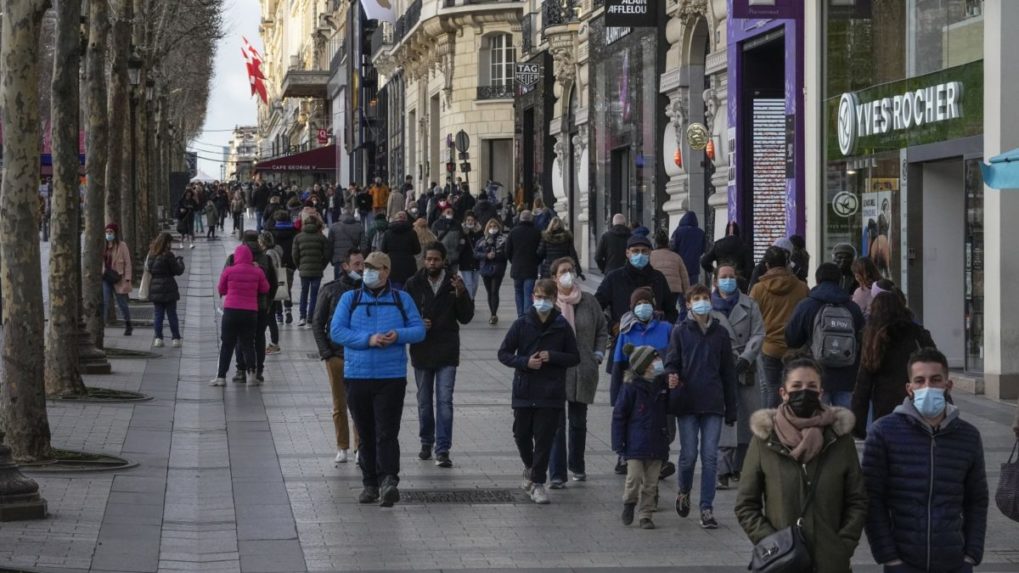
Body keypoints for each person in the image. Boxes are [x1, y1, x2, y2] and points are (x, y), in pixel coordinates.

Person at [734, 353, 868, 573]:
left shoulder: (839, 439)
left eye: (811, 386)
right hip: (783, 563)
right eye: (796, 386)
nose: (804, 392)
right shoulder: (765, 441)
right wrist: (773, 544)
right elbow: (745, 505)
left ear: (821, 392)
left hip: (831, 562)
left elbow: (857, 499)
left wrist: (842, 545)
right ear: (783, 393)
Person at [862, 347, 988, 573]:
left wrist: (971, 555)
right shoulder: (883, 432)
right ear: (909, 388)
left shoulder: (968, 436)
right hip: (902, 561)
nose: (927, 387)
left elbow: (977, 500)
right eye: (919, 381)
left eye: (935, 379)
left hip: (953, 561)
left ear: (948, 385)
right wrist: (889, 557)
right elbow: (872, 499)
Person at [329, 252, 426, 507]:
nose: (368, 272)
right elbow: (337, 331)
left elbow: (419, 330)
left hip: (390, 376)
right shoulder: (351, 298)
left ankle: (388, 481)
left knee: (386, 431)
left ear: (386, 271)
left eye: (374, 268)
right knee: (366, 432)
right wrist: (368, 340)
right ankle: (369, 483)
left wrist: (399, 335)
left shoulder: (401, 299)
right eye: (366, 268)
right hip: (357, 375)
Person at [498, 279, 581, 505]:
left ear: (554, 299)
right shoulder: (522, 323)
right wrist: (525, 362)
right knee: (521, 434)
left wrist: (552, 356)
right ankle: (530, 467)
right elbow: (504, 353)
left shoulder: (562, 326)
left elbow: (574, 357)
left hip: (551, 392)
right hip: (525, 389)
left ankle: (537, 483)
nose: (541, 301)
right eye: (537, 296)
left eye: (546, 297)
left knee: (544, 438)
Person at [664, 284, 737, 529]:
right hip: (688, 402)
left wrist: (732, 407)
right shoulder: (680, 331)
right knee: (688, 456)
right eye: (697, 299)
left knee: (709, 457)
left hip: (713, 402)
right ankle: (684, 490)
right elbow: (671, 362)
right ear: (688, 304)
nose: (702, 302)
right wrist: (672, 375)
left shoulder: (720, 333)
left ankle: (706, 507)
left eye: (705, 298)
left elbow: (728, 372)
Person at [404, 242, 474, 468]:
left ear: (444, 260)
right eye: (428, 259)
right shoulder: (413, 283)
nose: (432, 263)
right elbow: (403, 313)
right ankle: (426, 441)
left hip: (447, 350)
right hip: (422, 350)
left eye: (436, 259)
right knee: (424, 401)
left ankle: (442, 449)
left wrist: (462, 294)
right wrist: (416, 323)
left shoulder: (455, 283)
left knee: (444, 401)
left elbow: (465, 317)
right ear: (423, 260)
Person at [548, 257, 608, 487]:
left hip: (583, 369)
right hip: (556, 370)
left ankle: (577, 465)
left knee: (578, 421)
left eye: (571, 270)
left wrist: (598, 354)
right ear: (554, 277)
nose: (568, 275)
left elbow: (602, 329)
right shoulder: (550, 302)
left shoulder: (589, 301)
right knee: (556, 423)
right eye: (563, 271)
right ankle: (556, 473)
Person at [852, 292, 935, 437]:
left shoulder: (873, 338)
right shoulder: (917, 333)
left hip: (885, 404)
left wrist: (858, 426)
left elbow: (863, 385)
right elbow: (934, 361)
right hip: (916, 399)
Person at [711, 264, 765, 488]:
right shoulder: (707, 306)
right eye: (723, 277)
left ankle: (740, 466)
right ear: (715, 281)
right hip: (720, 370)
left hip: (747, 369)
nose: (728, 280)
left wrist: (747, 357)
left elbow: (759, 332)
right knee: (725, 419)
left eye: (731, 276)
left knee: (747, 420)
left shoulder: (749, 304)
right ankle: (722, 469)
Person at [785, 263, 865, 409]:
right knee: (844, 425)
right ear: (840, 280)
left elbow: (792, 339)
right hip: (847, 376)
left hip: (815, 376)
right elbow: (862, 337)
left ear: (817, 280)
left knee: (816, 422)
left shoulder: (807, 305)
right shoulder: (852, 307)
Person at [596, 234, 678, 375]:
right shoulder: (614, 278)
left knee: (656, 390)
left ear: (650, 253)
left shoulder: (658, 278)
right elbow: (596, 307)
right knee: (624, 391)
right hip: (625, 345)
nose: (640, 255)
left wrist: (664, 328)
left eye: (644, 251)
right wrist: (611, 326)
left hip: (655, 348)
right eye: (635, 251)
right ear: (627, 253)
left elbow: (671, 309)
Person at [312, 248, 364, 465]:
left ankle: (360, 447)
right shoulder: (331, 290)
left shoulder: (368, 290)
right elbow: (317, 322)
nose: (361, 269)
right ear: (345, 266)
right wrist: (326, 353)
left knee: (359, 404)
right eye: (357, 264)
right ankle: (342, 446)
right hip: (337, 355)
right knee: (339, 404)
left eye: (363, 264)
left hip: (360, 355)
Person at [612, 344, 669, 530]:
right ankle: (629, 502)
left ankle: (646, 514)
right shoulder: (630, 388)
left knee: (651, 483)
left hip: (657, 442)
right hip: (635, 443)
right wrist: (618, 442)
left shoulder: (662, 385)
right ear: (645, 366)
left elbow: (672, 406)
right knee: (633, 478)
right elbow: (619, 415)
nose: (659, 362)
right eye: (655, 360)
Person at [750, 246, 810, 409]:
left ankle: (769, 427)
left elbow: (751, 318)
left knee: (770, 389)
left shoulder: (758, 289)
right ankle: (792, 424)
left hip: (768, 346)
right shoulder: (801, 287)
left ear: (767, 265)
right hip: (795, 348)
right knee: (794, 388)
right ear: (786, 264)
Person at [211, 244, 270, 387]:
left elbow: (221, 288)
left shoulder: (229, 271)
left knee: (227, 344)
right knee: (248, 344)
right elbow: (265, 288)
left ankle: (221, 377)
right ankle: (251, 377)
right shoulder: (257, 272)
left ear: (236, 257)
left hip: (231, 311)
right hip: (250, 312)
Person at [227, 231, 279, 384]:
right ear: (257, 240)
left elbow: (225, 280)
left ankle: (241, 370)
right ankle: (258, 370)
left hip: (239, 306)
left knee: (240, 338)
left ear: (243, 241)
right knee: (259, 337)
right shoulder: (266, 259)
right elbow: (274, 284)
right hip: (261, 306)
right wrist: (269, 302)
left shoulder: (232, 258)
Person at [292, 213, 332, 327]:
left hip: (304, 270)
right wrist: (322, 266)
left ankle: (302, 317)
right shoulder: (321, 237)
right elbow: (327, 254)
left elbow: (294, 255)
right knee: (314, 295)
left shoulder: (298, 237)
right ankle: (310, 317)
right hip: (317, 270)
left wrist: (300, 266)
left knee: (304, 293)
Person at [146, 232, 184, 348]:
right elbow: (177, 271)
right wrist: (180, 262)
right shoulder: (168, 255)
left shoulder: (151, 255)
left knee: (158, 315)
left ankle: (158, 338)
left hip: (155, 288)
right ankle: (176, 339)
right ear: (167, 242)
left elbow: (149, 269)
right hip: (169, 287)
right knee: (172, 314)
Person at [505, 210, 543, 318]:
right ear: (531, 219)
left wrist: (513, 260)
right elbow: (541, 251)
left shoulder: (513, 232)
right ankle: (527, 316)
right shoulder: (536, 232)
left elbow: (507, 250)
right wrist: (536, 261)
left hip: (517, 267)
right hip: (531, 268)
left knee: (518, 292)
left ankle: (520, 315)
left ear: (520, 219)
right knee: (528, 292)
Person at [699, 221, 753, 287]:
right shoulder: (744, 246)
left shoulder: (718, 244)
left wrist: (715, 271)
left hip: (722, 279)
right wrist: (745, 280)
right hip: (739, 281)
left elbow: (704, 262)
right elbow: (750, 266)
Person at [102, 223, 133, 336]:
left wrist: (128, 279)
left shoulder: (122, 246)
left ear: (115, 233)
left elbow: (128, 263)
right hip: (105, 277)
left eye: (111, 232)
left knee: (122, 303)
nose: (108, 234)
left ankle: (128, 324)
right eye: (107, 232)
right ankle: (102, 327)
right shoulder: (103, 245)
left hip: (118, 278)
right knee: (104, 302)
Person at [476, 218, 508, 325]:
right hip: (485, 268)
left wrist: (497, 255)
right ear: (487, 228)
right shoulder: (482, 240)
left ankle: (494, 314)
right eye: (490, 226)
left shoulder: (503, 239)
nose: (492, 229)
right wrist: (486, 255)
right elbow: (475, 254)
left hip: (498, 268)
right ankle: (492, 312)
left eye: (494, 226)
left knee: (494, 291)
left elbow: (506, 254)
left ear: (498, 228)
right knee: (489, 292)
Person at [380, 211, 421, 290]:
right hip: (409, 266)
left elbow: (383, 250)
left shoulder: (388, 233)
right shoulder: (412, 233)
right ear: (406, 219)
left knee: (395, 293)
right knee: (409, 291)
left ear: (395, 219)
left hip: (393, 266)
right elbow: (417, 250)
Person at [270, 209, 298, 325]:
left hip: (275, 264)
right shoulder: (294, 232)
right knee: (287, 288)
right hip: (290, 264)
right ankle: (288, 310)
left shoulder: (272, 233)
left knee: (277, 289)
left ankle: (279, 314)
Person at [259, 232, 284, 355]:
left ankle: (274, 344)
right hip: (276, 287)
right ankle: (272, 343)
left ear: (263, 243)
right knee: (270, 317)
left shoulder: (269, 254)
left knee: (270, 318)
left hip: (272, 289)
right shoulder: (275, 251)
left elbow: (270, 272)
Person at [650, 228, 690, 303]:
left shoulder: (650, 256)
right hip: (673, 289)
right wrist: (687, 293)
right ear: (667, 243)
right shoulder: (676, 257)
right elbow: (684, 276)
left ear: (655, 243)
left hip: (656, 288)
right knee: (671, 310)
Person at [327, 208, 365, 280]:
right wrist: (361, 260)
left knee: (338, 283)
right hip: (353, 260)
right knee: (354, 282)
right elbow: (363, 247)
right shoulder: (359, 227)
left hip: (338, 259)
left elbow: (329, 246)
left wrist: (331, 259)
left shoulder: (334, 227)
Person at [669, 211, 705, 285]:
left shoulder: (678, 232)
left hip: (680, 265)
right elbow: (703, 249)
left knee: (681, 289)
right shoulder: (700, 233)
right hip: (694, 267)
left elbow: (672, 247)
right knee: (693, 290)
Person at [430, 204, 463, 275]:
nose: (450, 214)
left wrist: (459, 250)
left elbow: (462, 239)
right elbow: (433, 239)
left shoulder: (457, 224)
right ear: (443, 213)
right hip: (442, 257)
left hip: (454, 257)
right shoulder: (436, 224)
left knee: (454, 277)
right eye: (448, 212)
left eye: (451, 213)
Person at [458, 211, 483, 300]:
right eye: (468, 220)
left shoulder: (479, 231)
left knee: (475, 283)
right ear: (465, 221)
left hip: (476, 261)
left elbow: (482, 243)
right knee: (468, 283)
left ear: (475, 221)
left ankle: (472, 298)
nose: (470, 222)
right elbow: (458, 247)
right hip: (465, 261)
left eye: (472, 220)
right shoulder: (461, 231)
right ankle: (470, 301)